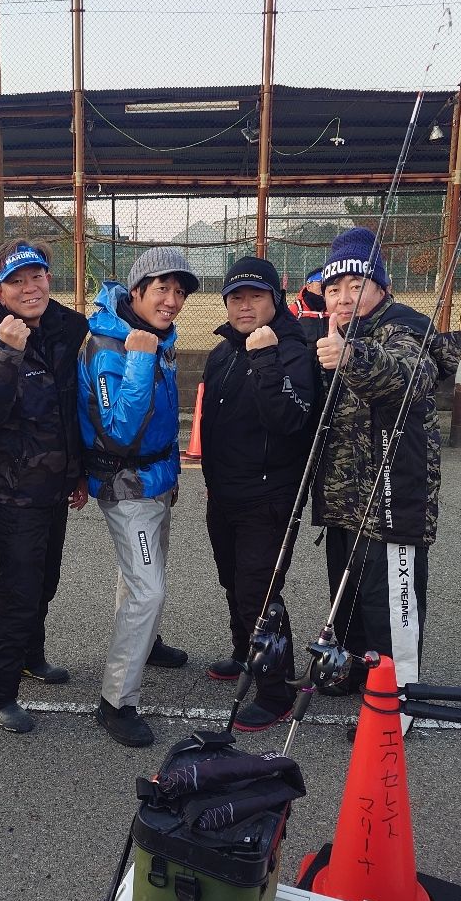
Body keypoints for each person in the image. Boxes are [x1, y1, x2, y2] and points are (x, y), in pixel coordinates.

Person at [314, 226, 460, 707]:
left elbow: (408, 373)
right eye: (334, 289)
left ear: (381, 285)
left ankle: (396, 702)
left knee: (391, 608)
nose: (344, 297)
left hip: (393, 504)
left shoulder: (404, 325)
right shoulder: (336, 331)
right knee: (350, 598)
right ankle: (357, 673)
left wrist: (349, 356)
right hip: (346, 505)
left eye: (356, 286)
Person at [0, 240, 88, 734]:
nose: (30, 288)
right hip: (11, 491)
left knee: (45, 581)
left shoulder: (62, 330)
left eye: (37, 276)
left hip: (53, 485)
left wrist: (75, 474)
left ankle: (32, 656)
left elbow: (67, 410)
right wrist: (5, 354)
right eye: (17, 281)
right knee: (17, 590)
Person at [77, 247, 199, 748]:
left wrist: (173, 474)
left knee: (141, 581)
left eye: (180, 292)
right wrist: (142, 361)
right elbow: (121, 431)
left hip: (157, 480)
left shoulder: (154, 336)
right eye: (162, 289)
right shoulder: (113, 346)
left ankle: (143, 644)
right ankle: (116, 700)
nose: (171, 301)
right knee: (148, 589)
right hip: (126, 485)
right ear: (136, 292)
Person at [201, 256, 315, 732]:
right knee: (233, 580)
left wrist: (265, 359)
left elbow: (291, 419)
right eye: (236, 297)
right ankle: (247, 650)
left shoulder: (292, 348)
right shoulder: (222, 351)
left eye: (256, 296)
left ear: (275, 299)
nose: (245, 306)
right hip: (224, 492)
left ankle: (275, 689)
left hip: (270, 495)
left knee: (259, 590)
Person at [289, 267, 329, 346]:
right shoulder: (297, 309)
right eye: (320, 283)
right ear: (309, 287)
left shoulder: (334, 307)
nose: (324, 287)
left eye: (327, 284)